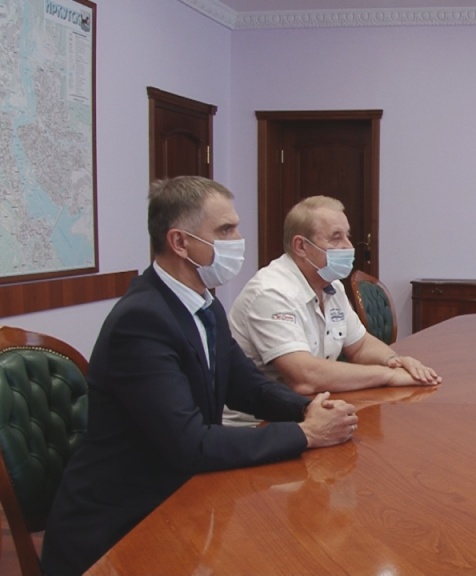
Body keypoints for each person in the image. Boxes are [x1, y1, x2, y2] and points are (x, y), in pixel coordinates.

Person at [41, 177, 358, 576]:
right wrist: (306, 434)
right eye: (225, 230)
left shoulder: (204, 304)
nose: (238, 240)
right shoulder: (142, 321)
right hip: (119, 530)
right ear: (180, 242)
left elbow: (246, 386)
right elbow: (189, 443)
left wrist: (308, 408)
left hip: (180, 500)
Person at [226, 196, 440, 425]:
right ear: (301, 246)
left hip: (309, 412)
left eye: (347, 235)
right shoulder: (271, 292)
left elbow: (360, 345)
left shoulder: (331, 285)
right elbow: (305, 377)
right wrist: (388, 375)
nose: (349, 246)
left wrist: (395, 361)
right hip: (258, 427)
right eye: (336, 237)